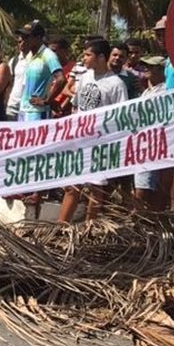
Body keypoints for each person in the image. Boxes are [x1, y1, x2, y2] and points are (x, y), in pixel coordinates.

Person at [58, 39, 128, 224]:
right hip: (80, 140)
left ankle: (91, 227)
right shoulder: (86, 77)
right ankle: (61, 225)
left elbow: (121, 116)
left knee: (97, 188)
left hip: (101, 145)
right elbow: (77, 106)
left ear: (101, 57)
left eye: (88, 55)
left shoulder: (116, 84)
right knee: (73, 185)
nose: (84, 58)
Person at [154, 15, 174, 211]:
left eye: (163, 34)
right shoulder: (168, 60)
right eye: (157, 34)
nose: (160, 38)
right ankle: (170, 209)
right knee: (171, 164)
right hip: (171, 116)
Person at [134, 56, 168, 210]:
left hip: (155, 143)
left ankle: (142, 219)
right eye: (145, 65)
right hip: (142, 143)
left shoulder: (167, 90)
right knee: (143, 183)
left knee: (145, 185)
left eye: (151, 66)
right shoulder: (147, 92)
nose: (146, 68)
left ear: (161, 70)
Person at [15, 20, 65, 121]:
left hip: (37, 112)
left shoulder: (48, 55)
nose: (23, 41)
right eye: (22, 37)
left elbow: (61, 79)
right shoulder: (29, 55)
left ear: (38, 37)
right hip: (23, 109)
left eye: (27, 37)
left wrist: (47, 100)